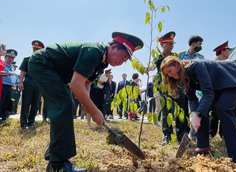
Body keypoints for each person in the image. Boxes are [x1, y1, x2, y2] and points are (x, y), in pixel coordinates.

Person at [28, 32, 143, 172]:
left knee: (67, 105)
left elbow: (86, 83)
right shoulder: (94, 52)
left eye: (125, 60)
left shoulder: (102, 61)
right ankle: (58, 165)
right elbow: (76, 85)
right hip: (43, 63)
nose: (122, 62)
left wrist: (86, 104)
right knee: (64, 104)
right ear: (112, 47)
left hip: (57, 72)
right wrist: (95, 111)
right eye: (123, 56)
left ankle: (55, 151)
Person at [160, 56, 236, 169]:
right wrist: (195, 114)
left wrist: (198, 115)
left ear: (177, 65)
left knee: (223, 108)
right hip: (218, 85)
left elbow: (208, 93)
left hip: (234, 77)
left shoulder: (195, 66)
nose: (169, 75)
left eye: (169, 71)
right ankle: (203, 146)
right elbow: (192, 99)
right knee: (201, 109)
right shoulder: (182, 78)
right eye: (167, 74)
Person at [151, 31, 190, 145]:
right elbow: (152, 65)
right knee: (166, 112)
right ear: (162, 45)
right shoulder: (158, 57)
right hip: (164, 88)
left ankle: (182, 136)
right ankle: (167, 136)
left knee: (181, 110)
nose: (170, 46)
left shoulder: (175, 57)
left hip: (177, 87)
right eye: (168, 43)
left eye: (172, 43)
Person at [179, 35, 205, 141]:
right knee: (183, 110)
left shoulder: (200, 57)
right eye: (199, 44)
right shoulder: (180, 55)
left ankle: (195, 133)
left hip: (195, 87)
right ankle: (184, 133)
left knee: (195, 109)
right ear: (193, 44)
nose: (200, 46)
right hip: (182, 86)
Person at [19, 40, 44, 130]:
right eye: (34, 48)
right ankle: (23, 123)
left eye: (37, 49)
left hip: (38, 83)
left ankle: (31, 122)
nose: (35, 50)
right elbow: (22, 71)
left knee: (36, 104)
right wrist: (20, 82)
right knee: (25, 102)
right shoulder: (27, 58)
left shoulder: (43, 60)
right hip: (28, 82)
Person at [209, 41, 232, 139]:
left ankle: (223, 133)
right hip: (215, 90)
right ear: (222, 51)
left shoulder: (227, 62)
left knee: (224, 112)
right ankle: (211, 133)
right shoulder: (213, 61)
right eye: (228, 50)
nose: (229, 53)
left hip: (224, 90)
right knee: (214, 113)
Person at [0, 49, 18, 123]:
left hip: (10, 88)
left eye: (12, 58)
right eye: (9, 57)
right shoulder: (2, 64)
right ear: (5, 57)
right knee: (1, 101)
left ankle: (3, 118)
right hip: (2, 86)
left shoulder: (11, 67)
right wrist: (7, 73)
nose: (11, 59)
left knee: (7, 103)